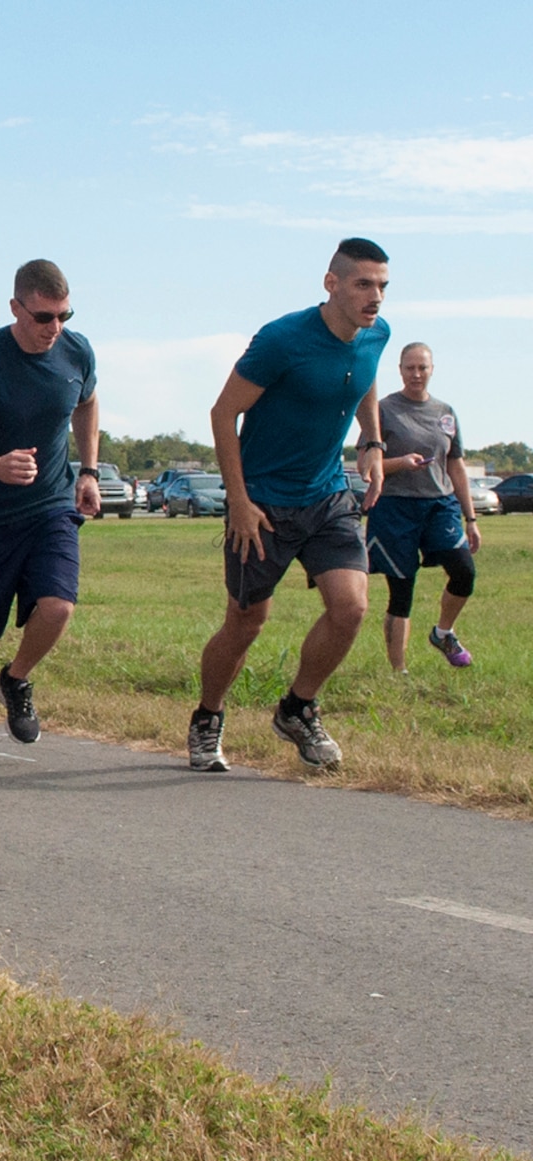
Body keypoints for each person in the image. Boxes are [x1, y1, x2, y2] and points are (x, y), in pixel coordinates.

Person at [189, 238, 390, 772]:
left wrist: (372, 442)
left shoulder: (376, 333)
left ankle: (298, 708)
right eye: (363, 284)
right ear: (332, 284)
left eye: (383, 286)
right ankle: (208, 716)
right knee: (246, 622)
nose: (376, 298)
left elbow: (365, 381)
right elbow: (222, 413)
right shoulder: (283, 340)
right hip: (263, 506)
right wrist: (238, 500)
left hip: (326, 495)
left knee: (351, 607)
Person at [0, 259, 101, 762]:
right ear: (15, 309)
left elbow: (87, 402)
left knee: (58, 606)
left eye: (63, 316)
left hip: (50, 504)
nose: (55, 328)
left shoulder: (77, 351)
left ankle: (15, 678)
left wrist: (89, 471)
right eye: (43, 317)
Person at [369, 343, 479, 672]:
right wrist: (400, 463)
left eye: (422, 368)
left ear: (432, 370)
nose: (416, 374)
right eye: (410, 368)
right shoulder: (383, 409)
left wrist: (470, 518)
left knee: (464, 571)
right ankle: (399, 672)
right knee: (402, 590)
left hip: (439, 505)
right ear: (400, 370)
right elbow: (366, 465)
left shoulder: (445, 412)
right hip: (395, 507)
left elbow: (456, 466)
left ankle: (443, 632)